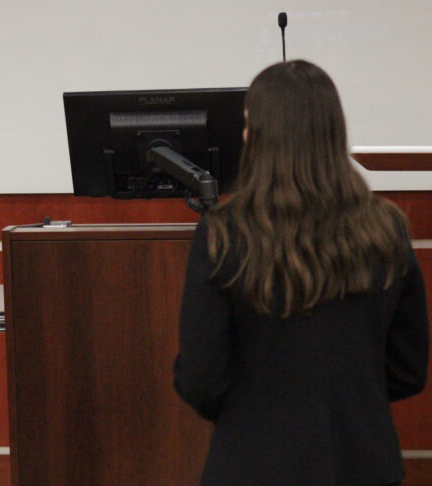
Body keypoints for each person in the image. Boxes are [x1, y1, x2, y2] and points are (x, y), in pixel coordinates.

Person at [173, 60, 428, 486]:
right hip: (364, 465)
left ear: (260, 138)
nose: (243, 134)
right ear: (333, 133)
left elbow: (202, 379)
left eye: (248, 124)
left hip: (250, 466)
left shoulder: (223, 232)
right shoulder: (387, 229)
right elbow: (407, 371)